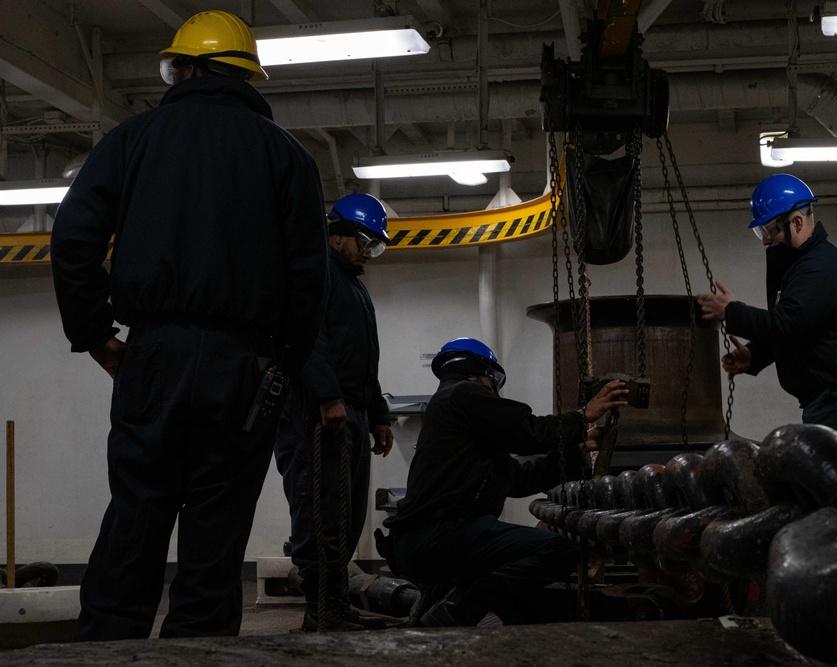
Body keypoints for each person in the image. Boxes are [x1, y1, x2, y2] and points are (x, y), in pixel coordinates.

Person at [49, 10, 329, 640]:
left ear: (182, 68)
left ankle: (104, 651)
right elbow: (310, 278)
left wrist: (97, 334)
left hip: (151, 355)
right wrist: (283, 362)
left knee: (137, 512)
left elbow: (73, 238)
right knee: (217, 527)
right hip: (245, 364)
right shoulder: (287, 156)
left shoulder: (133, 139)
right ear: (245, 76)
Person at [379, 337, 628, 626]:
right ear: (478, 370)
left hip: (419, 542)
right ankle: (461, 607)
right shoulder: (463, 394)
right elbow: (528, 431)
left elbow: (518, 480)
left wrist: (578, 451)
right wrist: (583, 416)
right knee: (560, 550)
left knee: (497, 560)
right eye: (492, 379)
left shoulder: (455, 417)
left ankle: (436, 603)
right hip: (441, 535)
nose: (493, 387)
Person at [274, 193, 395, 633]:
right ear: (337, 234)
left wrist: (379, 413)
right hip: (317, 413)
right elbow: (307, 341)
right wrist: (327, 396)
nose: (368, 250)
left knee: (346, 516)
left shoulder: (353, 288)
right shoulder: (314, 276)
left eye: (375, 244)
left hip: (350, 412)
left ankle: (336, 607)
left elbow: (361, 359)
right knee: (320, 513)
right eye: (365, 240)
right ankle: (320, 610)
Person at [696, 173, 837, 455]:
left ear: (795, 221)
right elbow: (799, 331)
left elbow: (788, 324)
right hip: (830, 402)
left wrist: (732, 311)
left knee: (832, 493)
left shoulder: (820, 268)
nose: (765, 241)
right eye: (761, 232)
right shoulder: (801, 267)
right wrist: (755, 356)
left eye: (769, 230)